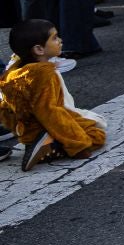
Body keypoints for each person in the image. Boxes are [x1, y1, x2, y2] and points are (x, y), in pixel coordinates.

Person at [0, 19, 106, 171]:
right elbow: (50, 112)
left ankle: (43, 143)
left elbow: (5, 108)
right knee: (96, 135)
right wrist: (78, 145)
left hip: (27, 131)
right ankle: (52, 147)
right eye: (55, 38)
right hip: (42, 128)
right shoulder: (44, 74)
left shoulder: (14, 72)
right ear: (39, 50)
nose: (60, 41)